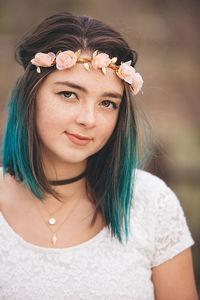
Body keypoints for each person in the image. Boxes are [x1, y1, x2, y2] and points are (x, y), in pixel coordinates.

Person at [0, 12, 198, 300]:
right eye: (69, 94)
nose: (88, 119)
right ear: (31, 96)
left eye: (107, 103)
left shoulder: (151, 204)